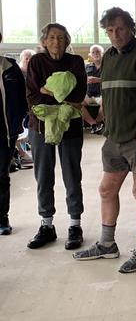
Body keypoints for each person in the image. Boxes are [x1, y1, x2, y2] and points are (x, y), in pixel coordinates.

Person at [73, 7, 136, 274]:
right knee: (106, 190)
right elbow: (109, 96)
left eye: (120, 29)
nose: (115, 35)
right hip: (112, 137)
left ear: (131, 28)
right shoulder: (109, 58)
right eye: (110, 30)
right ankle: (106, 244)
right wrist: (97, 116)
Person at [25, 23, 87, 250]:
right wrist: (62, 96)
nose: (56, 42)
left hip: (70, 126)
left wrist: (48, 91)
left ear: (67, 41)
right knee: (43, 175)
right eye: (51, 37)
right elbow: (32, 97)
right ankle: (47, 225)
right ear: (44, 41)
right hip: (40, 127)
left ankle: (75, 224)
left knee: (72, 174)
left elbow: (79, 95)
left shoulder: (76, 62)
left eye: (61, 38)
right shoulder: (36, 62)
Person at [0, 32, 28, 235]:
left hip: (5, 132)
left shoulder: (10, 67)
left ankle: (2, 218)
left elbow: (22, 97)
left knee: (2, 176)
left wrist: (18, 123)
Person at [80, 44, 104, 134]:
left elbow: (112, 80)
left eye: (98, 51)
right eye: (93, 52)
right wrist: (84, 80)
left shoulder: (107, 67)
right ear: (90, 55)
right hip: (88, 94)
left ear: (102, 53)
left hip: (101, 94)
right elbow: (79, 80)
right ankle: (93, 124)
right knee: (76, 103)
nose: (96, 53)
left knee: (107, 102)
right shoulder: (86, 67)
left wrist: (99, 80)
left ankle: (97, 123)